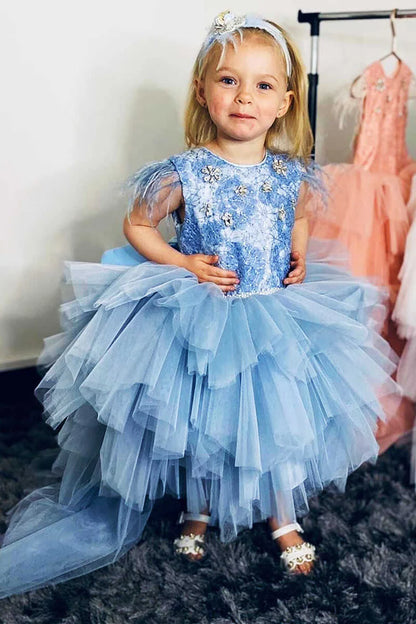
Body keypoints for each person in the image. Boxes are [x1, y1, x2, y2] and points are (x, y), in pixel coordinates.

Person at [0, 11, 401, 596]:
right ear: (202, 90)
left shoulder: (290, 174)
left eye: (263, 85)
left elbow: (299, 217)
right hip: (203, 319)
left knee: (276, 423)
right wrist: (184, 263)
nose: (245, 97)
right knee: (199, 423)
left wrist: (299, 252)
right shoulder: (185, 172)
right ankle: (199, 507)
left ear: (285, 102)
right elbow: (138, 225)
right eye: (229, 80)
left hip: (274, 318)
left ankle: (282, 514)